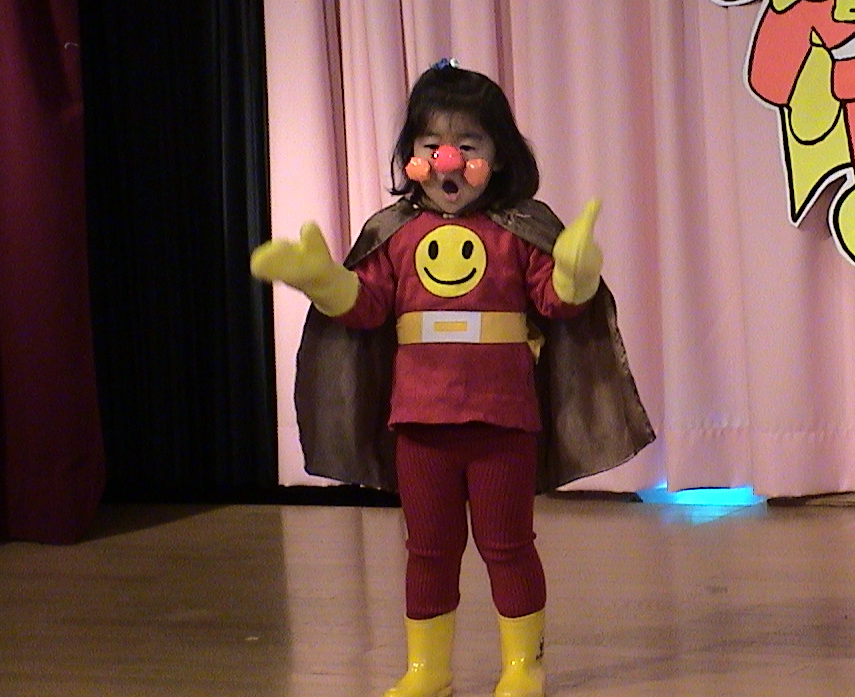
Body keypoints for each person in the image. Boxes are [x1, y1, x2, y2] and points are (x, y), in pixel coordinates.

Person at [251, 60, 654, 697]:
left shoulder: (520, 229)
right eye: (431, 144)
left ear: (499, 155)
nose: (449, 161)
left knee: (507, 546)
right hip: (419, 424)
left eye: (468, 145)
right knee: (427, 550)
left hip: (502, 422)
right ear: (410, 155)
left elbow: (554, 303)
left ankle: (523, 666)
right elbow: (367, 307)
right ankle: (427, 669)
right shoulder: (394, 232)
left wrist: (576, 274)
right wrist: (323, 281)